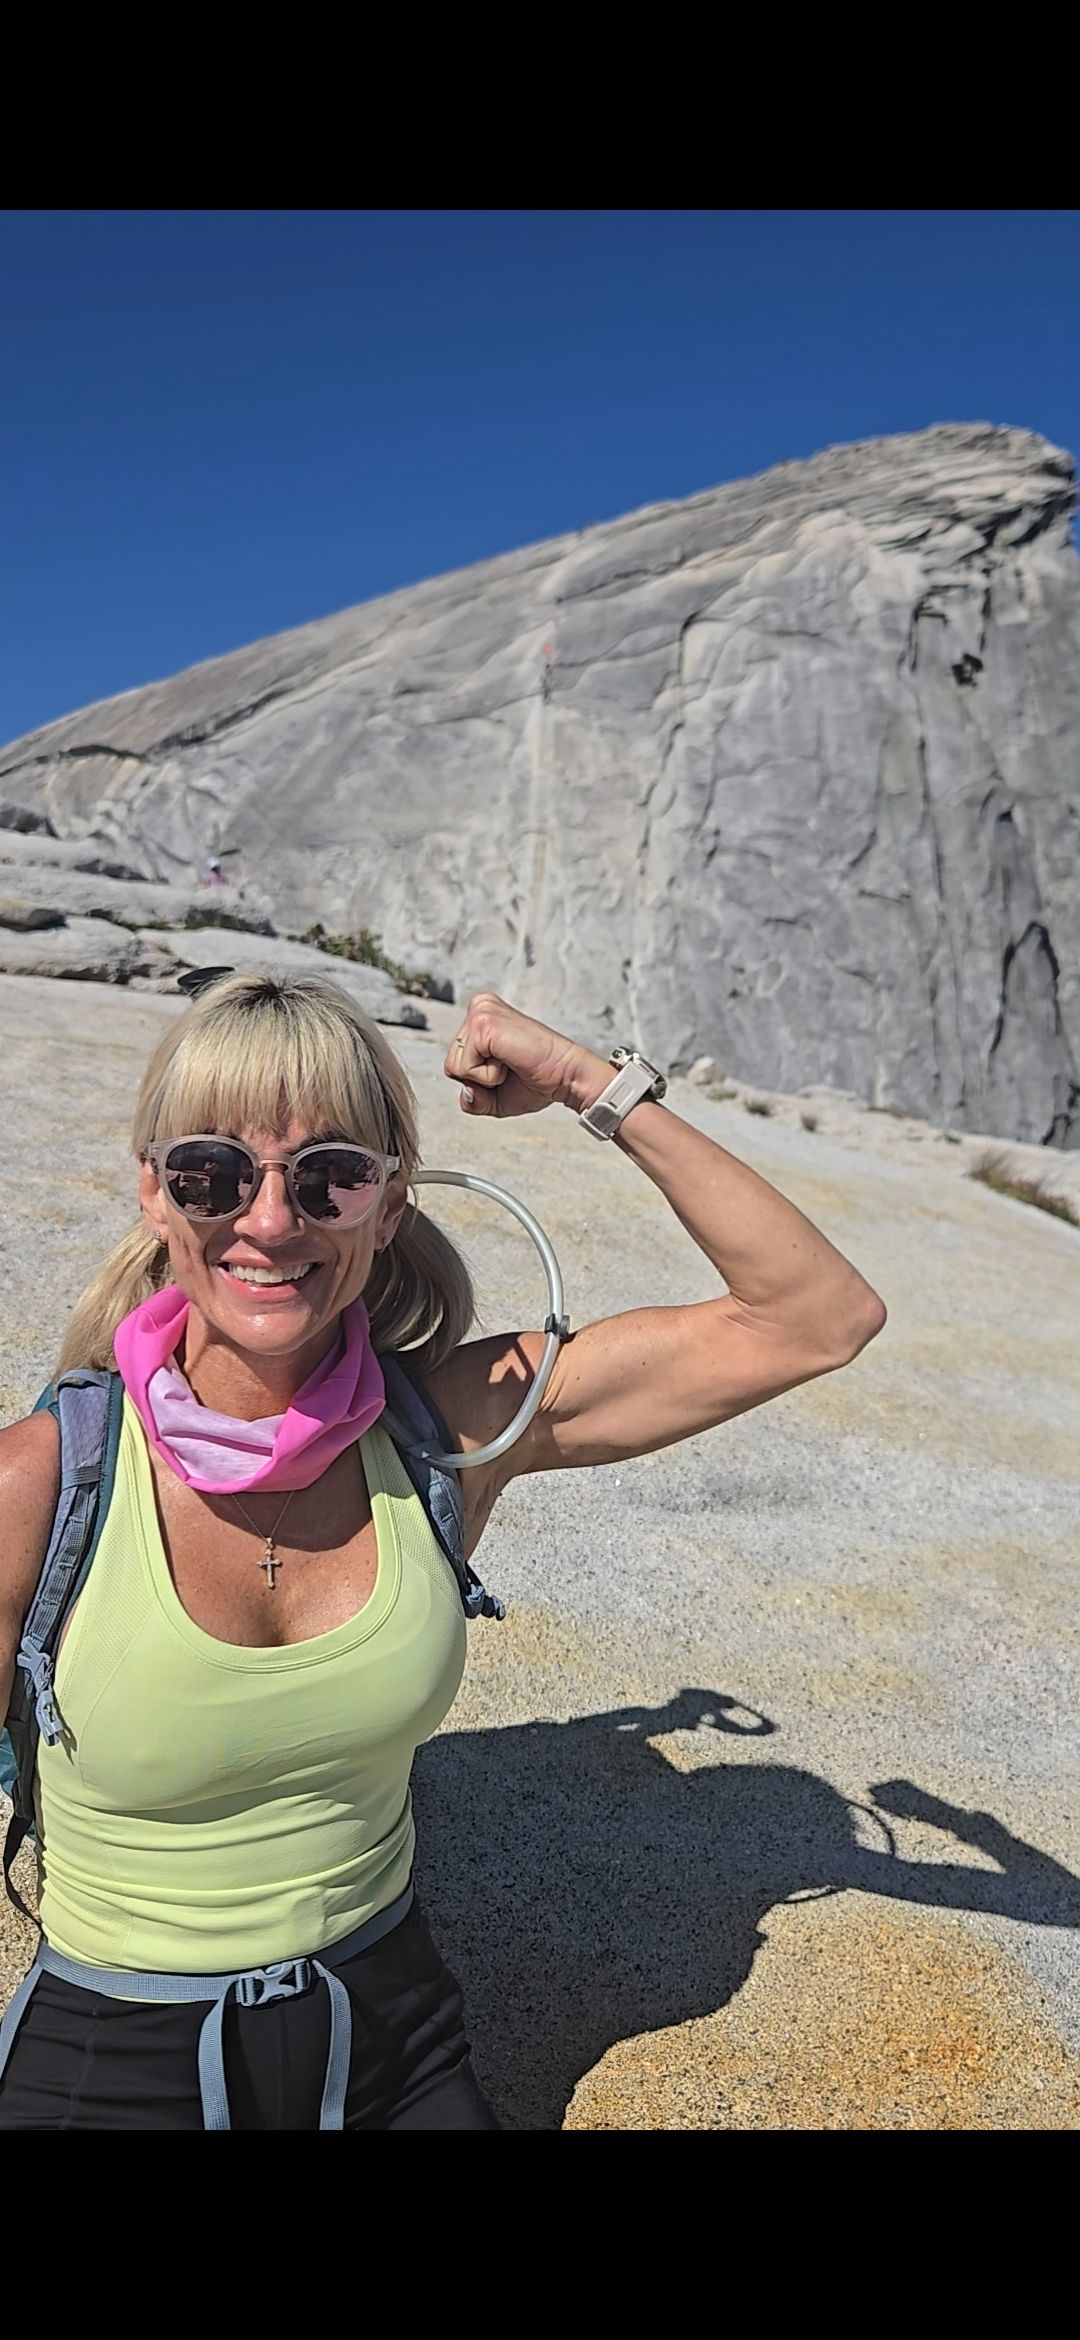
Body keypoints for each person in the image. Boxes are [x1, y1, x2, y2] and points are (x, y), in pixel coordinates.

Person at [0, 974, 885, 2130]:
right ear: (156, 1195)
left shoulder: (449, 1433)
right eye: (213, 1172)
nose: (271, 1221)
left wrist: (587, 1081)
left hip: (395, 2039)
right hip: (109, 2056)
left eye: (330, 1177)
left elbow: (816, 1317)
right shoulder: (45, 1478)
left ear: (391, 1204)